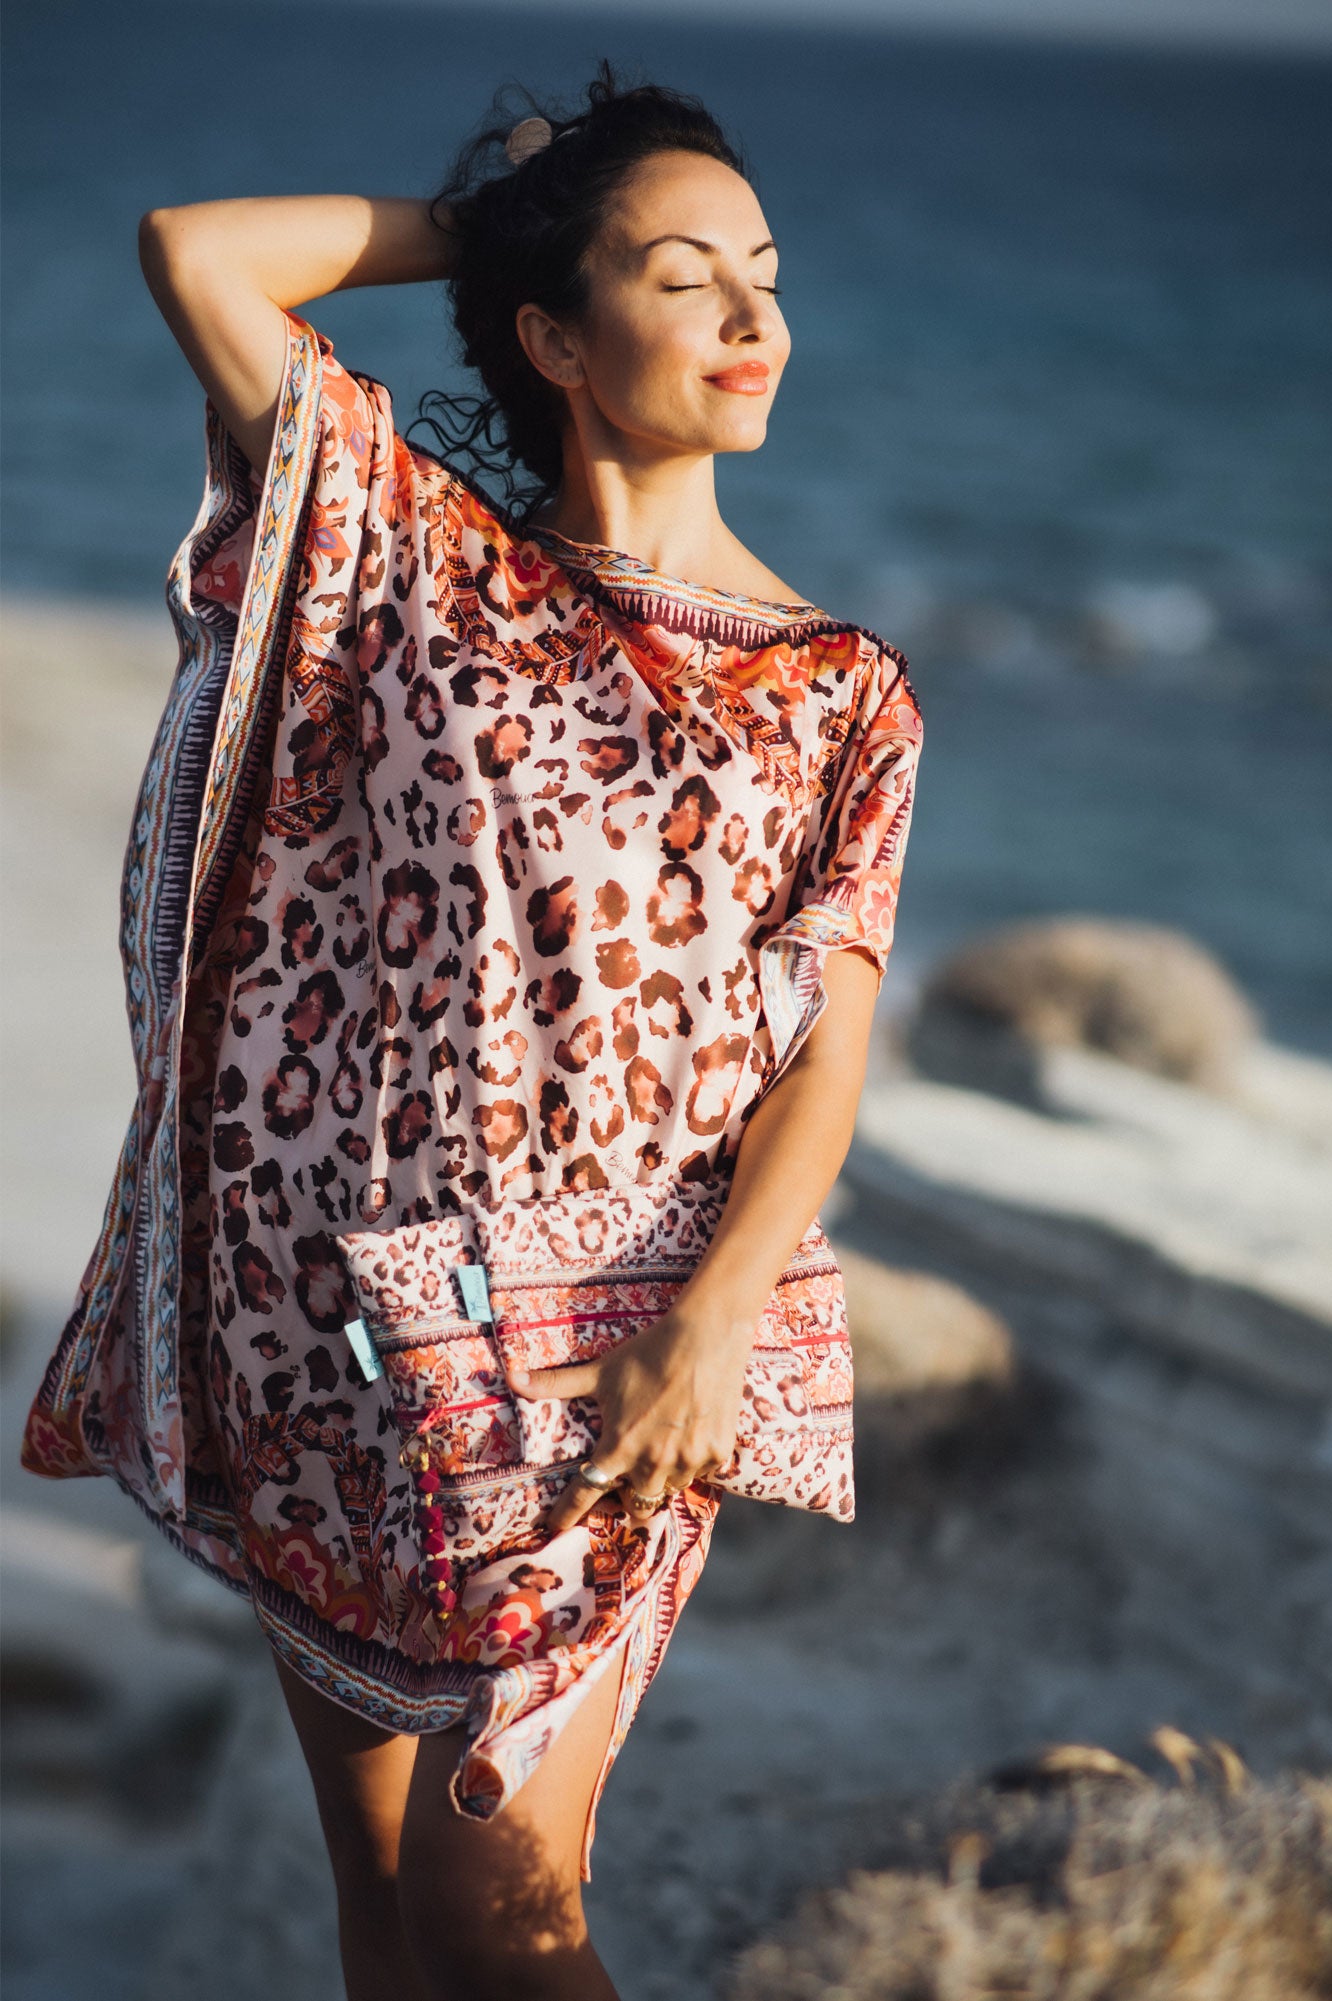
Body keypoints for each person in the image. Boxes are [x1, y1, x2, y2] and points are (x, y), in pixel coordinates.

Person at [20, 64, 923, 2001]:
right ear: (555, 339)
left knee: (496, 1905)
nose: (752, 317)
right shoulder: (414, 558)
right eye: (683, 278)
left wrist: (710, 1326)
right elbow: (202, 254)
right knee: (378, 1899)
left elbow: (824, 1057)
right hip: (328, 1320)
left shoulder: (840, 695)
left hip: (614, 1346)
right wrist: (504, 223)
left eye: (766, 275)